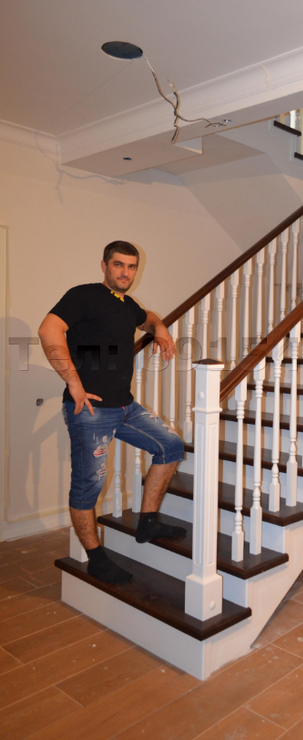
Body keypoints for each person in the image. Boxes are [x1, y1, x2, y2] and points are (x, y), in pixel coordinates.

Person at [39, 240, 186, 584]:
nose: (125, 273)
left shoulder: (126, 304)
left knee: (170, 446)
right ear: (104, 266)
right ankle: (95, 558)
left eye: (131, 267)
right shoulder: (84, 295)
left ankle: (147, 521)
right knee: (88, 486)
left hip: (125, 407)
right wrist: (73, 382)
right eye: (118, 265)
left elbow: (148, 318)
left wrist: (160, 328)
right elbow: (49, 329)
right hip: (90, 409)